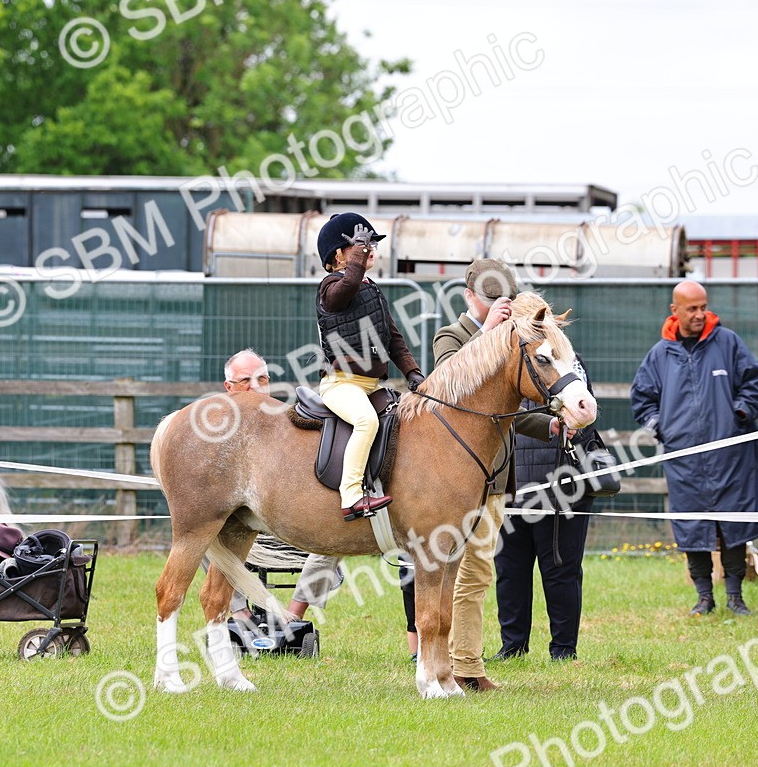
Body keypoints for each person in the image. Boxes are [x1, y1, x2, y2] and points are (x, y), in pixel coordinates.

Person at [630, 280, 758, 616]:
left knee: (733, 524)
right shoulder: (660, 354)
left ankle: (735, 597)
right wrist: (661, 427)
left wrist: (738, 413)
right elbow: (642, 399)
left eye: (704, 307)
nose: (701, 314)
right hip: (684, 460)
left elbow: (756, 385)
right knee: (692, 525)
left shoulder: (727, 343)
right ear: (676, 311)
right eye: (693, 309)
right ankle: (704, 598)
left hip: (731, 456)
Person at [427, 259, 542, 692]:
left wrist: (548, 425)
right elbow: (447, 387)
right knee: (456, 572)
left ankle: (465, 665)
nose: (499, 308)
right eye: (491, 300)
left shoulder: (510, 339)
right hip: (457, 479)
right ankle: (460, 666)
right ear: (469, 297)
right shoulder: (452, 336)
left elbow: (506, 408)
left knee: (476, 574)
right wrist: (486, 333)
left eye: (504, 301)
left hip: (495, 477)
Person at [216, 350, 344, 622]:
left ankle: (292, 617)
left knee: (341, 529)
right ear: (228, 387)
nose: (255, 386)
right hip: (242, 528)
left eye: (262, 379)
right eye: (245, 380)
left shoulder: (289, 423)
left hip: (293, 526)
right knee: (201, 532)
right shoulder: (215, 434)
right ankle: (240, 614)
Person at [316, 212, 424, 519]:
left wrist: (412, 373)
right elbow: (343, 293)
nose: (370, 248)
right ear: (338, 255)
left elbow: (393, 338)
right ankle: (351, 496)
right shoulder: (329, 286)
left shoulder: (371, 288)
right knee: (366, 422)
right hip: (341, 384)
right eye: (360, 244)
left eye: (371, 243)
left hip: (372, 385)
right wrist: (359, 259)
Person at [496, 359, 599, 663]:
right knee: (510, 570)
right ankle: (513, 646)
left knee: (560, 570)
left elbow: (582, 415)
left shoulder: (569, 363)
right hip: (511, 481)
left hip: (561, 485)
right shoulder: (505, 359)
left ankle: (563, 649)